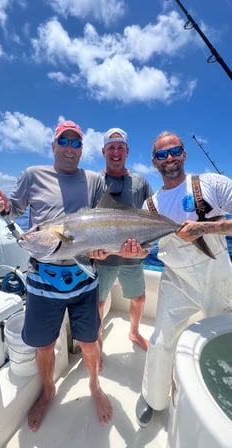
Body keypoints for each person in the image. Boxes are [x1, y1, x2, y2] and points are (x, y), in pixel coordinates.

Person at [0, 120, 114, 432]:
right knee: (44, 345)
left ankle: (95, 386)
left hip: (84, 276)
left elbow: (104, 222)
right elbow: (12, 210)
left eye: (76, 143)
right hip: (42, 280)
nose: (70, 148)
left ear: (82, 148)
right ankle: (49, 390)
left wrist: (105, 249)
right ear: (54, 145)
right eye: (64, 142)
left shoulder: (94, 179)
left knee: (90, 341)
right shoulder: (33, 174)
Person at [136, 130, 232, 427]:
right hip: (176, 281)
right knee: (162, 339)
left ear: (184, 153)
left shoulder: (213, 184)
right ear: (153, 161)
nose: (169, 158)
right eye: (162, 154)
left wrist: (205, 229)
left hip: (218, 275)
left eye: (174, 151)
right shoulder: (149, 207)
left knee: (228, 336)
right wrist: (128, 252)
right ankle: (154, 398)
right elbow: (141, 253)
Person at [93, 127, 153, 369]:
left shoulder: (140, 182)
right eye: (111, 147)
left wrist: (145, 250)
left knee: (139, 298)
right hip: (103, 258)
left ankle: (134, 332)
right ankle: (96, 343)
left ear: (127, 151)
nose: (115, 152)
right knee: (98, 303)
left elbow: (153, 216)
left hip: (133, 257)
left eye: (120, 147)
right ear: (103, 151)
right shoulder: (94, 182)